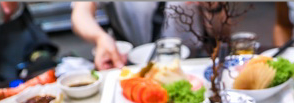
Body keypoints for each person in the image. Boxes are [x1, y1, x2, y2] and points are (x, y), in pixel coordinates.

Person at [72, 1, 210, 70]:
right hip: (133, 66)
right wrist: (100, 37)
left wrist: (215, 8)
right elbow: (81, 12)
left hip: (193, 65)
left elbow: (225, 29)